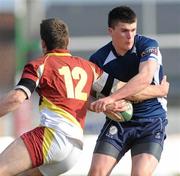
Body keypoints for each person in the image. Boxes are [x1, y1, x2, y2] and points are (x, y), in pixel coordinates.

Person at [0, 18, 168, 176]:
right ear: (68, 41)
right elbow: (123, 88)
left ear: (43, 44)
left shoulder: (40, 65)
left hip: (51, 137)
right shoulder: (88, 67)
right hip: (73, 151)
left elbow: (16, 98)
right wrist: (158, 90)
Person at [88, 6, 168, 176]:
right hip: (118, 121)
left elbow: (144, 77)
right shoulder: (98, 60)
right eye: (124, 30)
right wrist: (97, 105)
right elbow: (87, 97)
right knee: (96, 173)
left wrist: (111, 98)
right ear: (110, 31)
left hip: (151, 120)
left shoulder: (148, 45)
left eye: (133, 30)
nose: (130, 36)